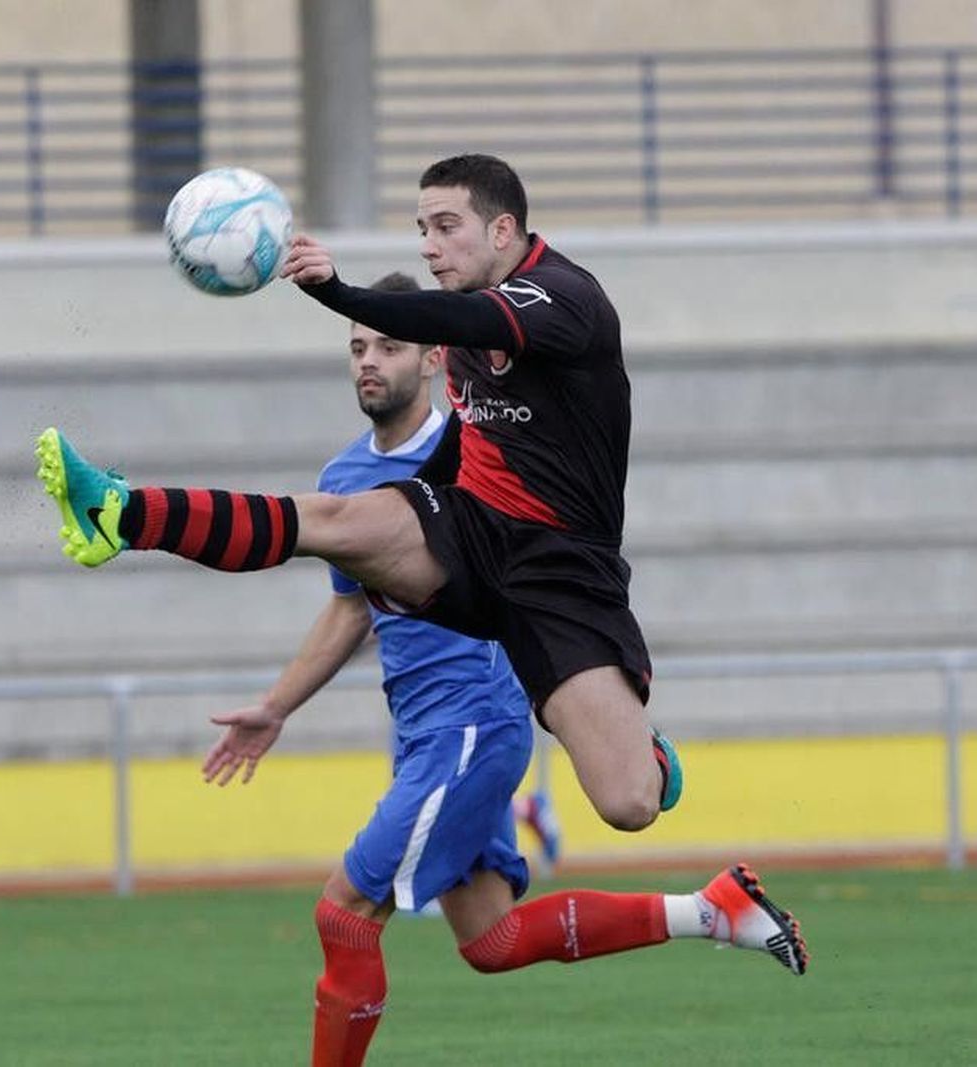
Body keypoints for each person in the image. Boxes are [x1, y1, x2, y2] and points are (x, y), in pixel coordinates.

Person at [195, 276, 807, 1066]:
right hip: (422, 734)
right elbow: (352, 611)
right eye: (357, 347)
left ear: (434, 358)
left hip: (475, 720)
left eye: (388, 344)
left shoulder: (479, 452)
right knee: (493, 937)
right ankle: (712, 909)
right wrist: (275, 706)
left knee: (344, 913)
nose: (369, 361)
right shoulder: (344, 480)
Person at [37, 153, 683, 840]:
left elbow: (463, 322)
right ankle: (122, 512)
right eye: (420, 228)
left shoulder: (564, 299)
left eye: (445, 226)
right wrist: (402, 506)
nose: (429, 245)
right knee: (337, 519)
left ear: (502, 231)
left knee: (628, 803)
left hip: (562, 574)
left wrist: (337, 291)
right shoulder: (468, 326)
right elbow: (468, 439)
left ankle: (649, 754)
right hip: (473, 534)